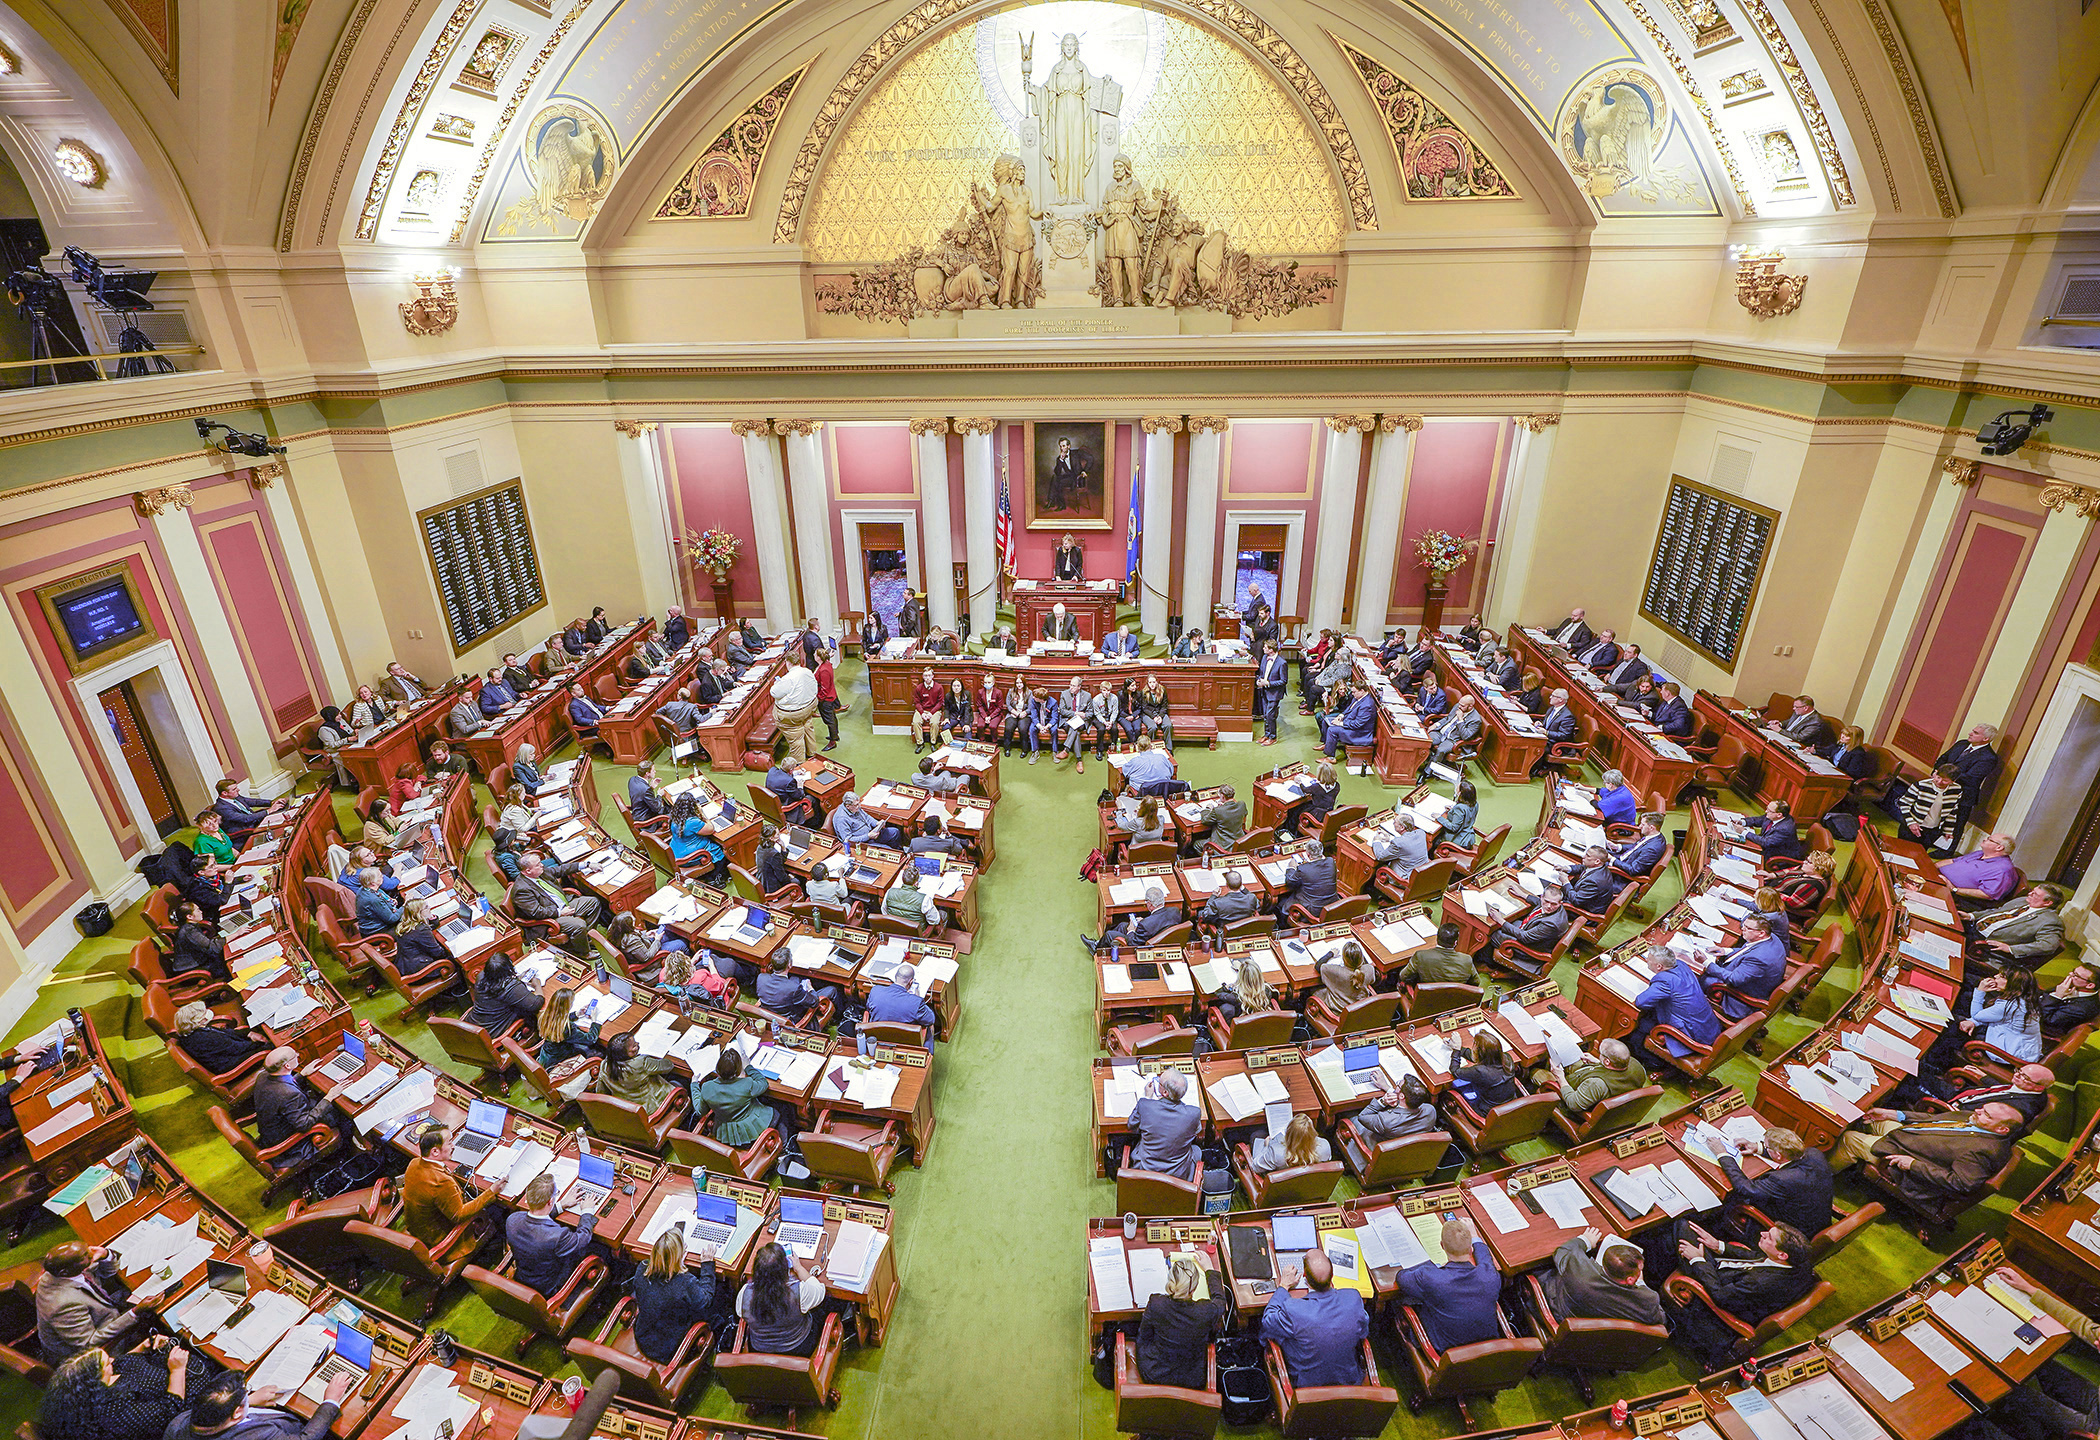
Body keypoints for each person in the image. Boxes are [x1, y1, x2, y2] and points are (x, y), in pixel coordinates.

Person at [1666, 1223, 1817, 1369]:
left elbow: (1719, 1295)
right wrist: (1718, 1245)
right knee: (1682, 1230)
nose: (1762, 1234)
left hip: (1716, 1288)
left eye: (1769, 1237)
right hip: (1730, 1276)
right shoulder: (1800, 1264)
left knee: (1679, 1229)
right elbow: (1757, 1258)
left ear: (1782, 1255)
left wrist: (1697, 1260)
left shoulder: (1759, 1282)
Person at [1830, 1102, 2022, 1209]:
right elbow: (1933, 1120)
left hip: (1905, 1160)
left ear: (2002, 1129)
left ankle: (1823, 1172)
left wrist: (1913, 1164)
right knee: (1870, 1117)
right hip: (1909, 1136)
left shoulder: (1984, 1152)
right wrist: (1894, 1114)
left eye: (1986, 1115)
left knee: (1850, 1139)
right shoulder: (1975, 1119)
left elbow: (1961, 1183)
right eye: (1983, 1109)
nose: (1978, 1111)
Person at [41, 1342, 198, 1440]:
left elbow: (122, 1362)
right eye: (108, 1363)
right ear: (97, 1382)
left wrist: (141, 1347)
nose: (113, 1361)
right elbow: (171, 1407)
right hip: (182, 1410)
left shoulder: (75, 1400)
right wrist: (178, 1370)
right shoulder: (119, 1417)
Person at [1705, 1125, 1833, 1239]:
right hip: (1814, 1219)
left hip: (1794, 1232)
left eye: (1767, 1146)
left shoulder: (1783, 1179)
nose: (1764, 1146)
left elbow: (1744, 1187)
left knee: (1732, 1197)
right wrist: (1757, 1148)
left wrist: (1722, 1153)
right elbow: (1787, 1154)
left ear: (1777, 1155)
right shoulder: (1814, 1153)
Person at [1395, 1218, 1502, 1351]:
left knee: (1402, 1301)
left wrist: (1430, 1266)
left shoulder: (1431, 1277)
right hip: (1489, 1352)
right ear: (1470, 1250)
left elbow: (1401, 1278)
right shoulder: (1489, 1275)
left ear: (1442, 1246)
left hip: (1447, 1354)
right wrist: (1474, 1236)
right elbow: (1485, 1257)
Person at [161, 1370, 352, 1440]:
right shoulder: (258, 1436)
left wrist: (248, 1401)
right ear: (236, 1414)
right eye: (246, 1393)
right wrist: (331, 1400)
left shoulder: (180, 1423)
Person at [403, 1124, 499, 1261]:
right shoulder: (441, 1182)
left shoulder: (414, 1163)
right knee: (496, 1212)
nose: (453, 1146)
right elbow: (458, 1215)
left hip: (420, 1228)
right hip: (441, 1239)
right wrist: (491, 1192)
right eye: (449, 1143)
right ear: (435, 1152)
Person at [632, 1228, 727, 1365]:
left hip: (645, 1338)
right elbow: (705, 1300)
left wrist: (677, 1262)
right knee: (719, 1293)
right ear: (681, 1254)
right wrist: (707, 1265)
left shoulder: (642, 1268)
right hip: (672, 1349)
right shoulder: (684, 1282)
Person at [36, 1243, 146, 1361]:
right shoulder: (62, 1305)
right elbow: (89, 1343)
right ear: (64, 1272)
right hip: (96, 1350)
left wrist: (105, 1255)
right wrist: (134, 1313)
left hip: (102, 1310)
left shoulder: (66, 1270)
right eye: (85, 1255)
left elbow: (106, 1273)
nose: (91, 1254)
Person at [738, 1242, 851, 1356]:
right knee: (828, 1303)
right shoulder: (798, 1292)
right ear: (784, 1269)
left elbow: (742, 1314)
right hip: (798, 1348)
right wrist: (799, 1268)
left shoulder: (743, 1294)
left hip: (759, 1349)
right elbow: (820, 1290)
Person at [1136, 1256, 1231, 1391]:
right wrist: (1210, 1270)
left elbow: (1144, 1335)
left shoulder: (1156, 1303)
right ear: (1194, 1289)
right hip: (1192, 1379)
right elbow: (1220, 1301)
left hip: (1154, 1373)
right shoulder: (1206, 1311)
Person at [506, 1172, 603, 1297]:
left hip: (523, 1278)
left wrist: (561, 1206)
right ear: (550, 1201)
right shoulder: (557, 1236)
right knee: (599, 1249)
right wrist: (587, 1211)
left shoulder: (512, 1220)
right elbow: (583, 1237)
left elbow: (536, 1219)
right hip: (550, 1287)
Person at [1542, 1229, 1664, 1325]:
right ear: (1630, 1279)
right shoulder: (1647, 1300)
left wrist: (1585, 1240)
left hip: (1558, 1314)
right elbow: (1661, 1319)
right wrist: (1642, 1284)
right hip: (1594, 1340)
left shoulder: (1580, 1269)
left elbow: (1561, 1252)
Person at [253, 1047, 350, 1161]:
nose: (298, 1055)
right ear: (287, 1066)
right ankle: (346, 1153)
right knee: (342, 1114)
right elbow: (304, 1125)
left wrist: (302, 1074)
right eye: (295, 1055)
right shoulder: (290, 1095)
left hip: (272, 1130)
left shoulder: (263, 1076)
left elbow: (281, 1086)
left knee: (319, 1099)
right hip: (288, 1142)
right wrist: (329, 1097)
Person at [1626, 947, 1721, 1060]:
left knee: (1640, 1027)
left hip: (1693, 1034)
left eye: (1649, 959)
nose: (1646, 960)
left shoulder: (1665, 981)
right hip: (1708, 1027)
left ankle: (1654, 1062)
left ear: (1659, 966)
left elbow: (1641, 1002)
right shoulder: (1680, 965)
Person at [695, 1047, 792, 1154]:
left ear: (717, 1069)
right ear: (737, 1071)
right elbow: (763, 1083)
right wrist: (748, 1067)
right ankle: (785, 1148)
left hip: (726, 1137)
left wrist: (694, 1084)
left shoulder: (707, 1087)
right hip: (753, 1134)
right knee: (783, 1108)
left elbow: (700, 1111)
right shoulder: (746, 1084)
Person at [1693, 915, 1787, 1020]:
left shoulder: (1759, 959)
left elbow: (1733, 979)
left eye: (1747, 928)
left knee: (1698, 979)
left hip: (1741, 998)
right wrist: (1725, 950)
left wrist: (1706, 962)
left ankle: (1695, 1011)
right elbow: (1748, 949)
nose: (1742, 929)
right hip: (1750, 979)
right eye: (1743, 925)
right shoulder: (1771, 938)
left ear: (1761, 933)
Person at [510, 852, 602, 953]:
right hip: (550, 918)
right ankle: (583, 952)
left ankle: (585, 938)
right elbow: (537, 912)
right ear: (528, 871)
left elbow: (561, 869)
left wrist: (586, 864)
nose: (542, 865)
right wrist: (559, 912)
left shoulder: (540, 872)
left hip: (562, 904)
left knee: (593, 902)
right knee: (579, 924)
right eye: (537, 865)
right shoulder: (521, 890)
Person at [1475, 885, 1574, 974]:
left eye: (1553, 904)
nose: (1549, 906)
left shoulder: (1551, 924)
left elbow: (1524, 937)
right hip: (1532, 932)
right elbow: (1538, 902)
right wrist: (1522, 894)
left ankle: (1487, 964)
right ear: (1542, 897)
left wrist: (1500, 920)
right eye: (1546, 901)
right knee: (1510, 923)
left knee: (1495, 934)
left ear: (1560, 903)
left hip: (1530, 949)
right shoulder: (1557, 908)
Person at [1541, 1039, 1645, 1120]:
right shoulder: (1636, 1066)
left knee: (1536, 1073)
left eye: (1601, 1053)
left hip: (1572, 1104)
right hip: (1594, 1085)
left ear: (1607, 1062)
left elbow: (1573, 1104)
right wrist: (1597, 1062)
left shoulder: (1596, 1084)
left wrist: (1560, 1077)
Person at [1967, 883, 2066, 968]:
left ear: (2048, 903)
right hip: (1973, 928)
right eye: (2032, 891)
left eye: (2035, 894)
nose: (2029, 893)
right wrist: (1971, 916)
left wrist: (2011, 949)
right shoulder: (2023, 901)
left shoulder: (2051, 921)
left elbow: (2048, 945)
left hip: (1987, 947)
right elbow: (1997, 911)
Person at [1125, 1070, 1200, 1179]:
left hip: (1146, 1169)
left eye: (1158, 1083)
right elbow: (1196, 1131)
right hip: (1179, 1174)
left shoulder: (1145, 1105)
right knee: (1197, 1150)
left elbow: (1131, 1125)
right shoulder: (1194, 1113)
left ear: (1165, 1093)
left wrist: (1147, 1098)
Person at [172, 1001, 268, 1075]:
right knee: (274, 1043)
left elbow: (227, 1033)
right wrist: (262, 1043)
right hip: (235, 1066)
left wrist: (249, 1033)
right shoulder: (205, 1038)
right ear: (200, 1020)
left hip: (231, 1053)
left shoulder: (195, 1030)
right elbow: (238, 1048)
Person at [1083, 885, 1183, 952]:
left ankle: (1096, 950)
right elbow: (1159, 919)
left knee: (1109, 935)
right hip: (1154, 934)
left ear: (1149, 904)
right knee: (1122, 925)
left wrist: (1131, 930)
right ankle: (1102, 944)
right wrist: (1145, 920)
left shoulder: (1145, 925)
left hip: (1145, 946)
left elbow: (1132, 944)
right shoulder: (1175, 911)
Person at [597, 1031, 679, 1111]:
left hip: (626, 1109)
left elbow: (601, 1092)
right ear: (629, 1053)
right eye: (634, 1045)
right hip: (651, 1108)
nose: (638, 1044)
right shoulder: (641, 1063)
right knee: (679, 1081)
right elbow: (668, 1066)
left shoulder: (604, 1065)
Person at [1895, 761, 1967, 853]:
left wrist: (1948, 831)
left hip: (1932, 831)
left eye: (1945, 780)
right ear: (1935, 773)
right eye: (1938, 777)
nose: (1939, 781)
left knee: (1919, 855)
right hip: (1911, 827)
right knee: (1900, 851)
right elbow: (1904, 803)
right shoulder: (1921, 785)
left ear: (1953, 781)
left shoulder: (1956, 790)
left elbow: (1952, 812)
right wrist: (1911, 823)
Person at [1941, 832, 2022, 910]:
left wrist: (1954, 889)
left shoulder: (2003, 870)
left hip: (1958, 897)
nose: (1984, 839)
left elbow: (1987, 894)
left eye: (1989, 839)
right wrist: (1932, 868)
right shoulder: (1980, 853)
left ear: (1999, 847)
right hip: (1940, 879)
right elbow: (1953, 861)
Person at [468, 952, 543, 1035]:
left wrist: (518, 979)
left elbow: (496, 982)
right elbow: (536, 1004)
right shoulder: (510, 987)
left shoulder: (480, 976)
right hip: (494, 1032)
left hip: (474, 1024)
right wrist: (537, 985)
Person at [756, 951, 840, 1025]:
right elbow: (814, 1002)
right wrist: (810, 987)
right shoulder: (793, 988)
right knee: (832, 990)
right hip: (791, 1019)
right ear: (789, 965)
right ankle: (836, 1020)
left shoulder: (761, 977)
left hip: (771, 1014)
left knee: (795, 978)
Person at [390, 898, 458, 983]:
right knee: (457, 959)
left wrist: (433, 919)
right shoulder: (421, 930)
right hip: (421, 971)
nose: (429, 907)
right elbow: (438, 954)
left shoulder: (406, 924)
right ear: (419, 913)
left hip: (406, 966)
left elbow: (428, 928)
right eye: (426, 907)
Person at [1449, 1031, 1520, 1110]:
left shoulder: (1480, 1071)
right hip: (1511, 1106)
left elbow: (1455, 1071)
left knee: (1452, 1089)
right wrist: (1459, 1048)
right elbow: (1477, 1057)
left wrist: (1456, 1050)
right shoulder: (1507, 1058)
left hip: (1488, 1112)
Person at [1355, 1076, 1441, 1139]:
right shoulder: (1430, 1110)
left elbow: (1363, 1116)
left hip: (1381, 1147)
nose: (1396, 1086)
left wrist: (1382, 1102)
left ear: (1402, 1096)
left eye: (1398, 1086)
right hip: (1410, 1151)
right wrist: (1386, 1087)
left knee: (1353, 1118)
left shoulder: (1385, 1121)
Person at [771, 654, 822, 762]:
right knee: (808, 727)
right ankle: (812, 755)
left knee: (796, 738)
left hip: (792, 714)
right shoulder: (807, 671)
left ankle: (799, 765)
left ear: (788, 663)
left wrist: (777, 684)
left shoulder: (788, 678)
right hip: (809, 707)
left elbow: (774, 692)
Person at [1249, 1112, 1331, 1176]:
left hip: (1281, 1187)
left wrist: (1267, 1146)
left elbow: (1256, 1167)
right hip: (1306, 1186)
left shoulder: (1276, 1153)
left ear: (1288, 1133)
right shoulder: (1325, 1146)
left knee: (1257, 1135)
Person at [1400, 922, 1478, 986]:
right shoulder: (1466, 960)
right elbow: (1476, 982)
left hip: (1426, 1000)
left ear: (1437, 938)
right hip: (1454, 1001)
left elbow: (1403, 976)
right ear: (1455, 942)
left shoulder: (1421, 956)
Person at [1278, 840, 1339, 921]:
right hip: (1332, 905)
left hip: (1313, 910)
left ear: (1308, 854)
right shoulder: (1331, 862)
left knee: (1281, 903)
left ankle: (1284, 927)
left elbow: (1290, 883)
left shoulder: (1304, 869)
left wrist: (1291, 868)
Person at [1423, 695, 1482, 777]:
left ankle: (1427, 772)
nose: (1459, 706)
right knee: (1426, 740)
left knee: (1441, 750)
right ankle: (1423, 761)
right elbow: (1448, 718)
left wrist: (1460, 720)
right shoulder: (1458, 706)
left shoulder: (1476, 720)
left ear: (1470, 706)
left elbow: (1466, 736)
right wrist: (1436, 725)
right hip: (1441, 732)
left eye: (1462, 705)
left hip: (1453, 740)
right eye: (1460, 704)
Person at [211, 778, 283, 845]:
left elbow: (252, 802)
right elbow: (245, 819)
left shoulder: (235, 797)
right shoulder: (221, 808)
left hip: (255, 821)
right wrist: (268, 811)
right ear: (224, 793)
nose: (238, 790)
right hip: (247, 831)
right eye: (234, 789)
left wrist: (272, 803)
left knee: (283, 815)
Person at [1320, 681, 1378, 763]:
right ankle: (1327, 745)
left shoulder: (1367, 705)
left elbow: (1357, 724)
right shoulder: (1358, 697)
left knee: (1332, 730)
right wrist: (1341, 716)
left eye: (1354, 692)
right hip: (1350, 722)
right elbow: (1349, 708)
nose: (1352, 694)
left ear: (1362, 691)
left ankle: (1331, 758)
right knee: (1325, 721)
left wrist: (1340, 723)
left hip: (1359, 733)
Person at [1282, 761, 1340, 840]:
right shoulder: (1337, 786)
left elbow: (1305, 789)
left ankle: (1291, 833)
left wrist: (1299, 782)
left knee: (1294, 811)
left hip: (1316, 814)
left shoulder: (1316, 787)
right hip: (1328, 811)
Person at [1370, 813, 1430, 884]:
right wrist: (1390, 839)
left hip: (1406, 880)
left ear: (1402, 827)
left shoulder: (1398, 843)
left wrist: (1377, 840)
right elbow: (1408, 843)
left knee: (1378, 866)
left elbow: (1380, 856)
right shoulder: (1421, 833)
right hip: (1422, 873)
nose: (1393, 823)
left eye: (1395, 822)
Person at [764, 743, 815, 826]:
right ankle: (813, 825)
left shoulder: (772, 770)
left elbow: (782, 775)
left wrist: (795, 773)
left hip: (773, 803)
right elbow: (800, 796)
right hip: (786, 806)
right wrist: (800, 786)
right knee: (811, 798)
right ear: (790, 770)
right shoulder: (790, 782)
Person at [1196, 869, 1261, 933]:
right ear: (1241, 884)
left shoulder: (1218, 903)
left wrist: (1213, 896)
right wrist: (1245, 890)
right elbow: (1257, 905)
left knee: (1200, 913)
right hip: (1245, 930)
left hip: (1225, 933)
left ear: (1226, 885)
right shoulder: (1252, 898)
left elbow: (1206, 917)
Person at [2043, 962, 2100, 1034]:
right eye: (2073, 971)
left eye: (2076, 975)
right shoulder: (2073, 985)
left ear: (2090, 985)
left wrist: (2057, 996)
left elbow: (2048, 1020)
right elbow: (2045, 993)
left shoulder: (2081, 1009)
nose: (2070, 974)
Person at [882, 868, 944, 934]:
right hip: (916, 935)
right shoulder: (925, 899)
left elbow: (884, 912)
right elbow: (934, 921)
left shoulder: (889, 892)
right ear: (916, 883)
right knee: (943, 914)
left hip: (894, 931)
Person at [1318, 941, 1376, 1011]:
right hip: (1359, 1009)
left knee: (1313, 990)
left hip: (1338, 1011)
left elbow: (1318, 966)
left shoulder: (1335, 971)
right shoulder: (1370, 969)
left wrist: (1331, 953)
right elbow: (1372, 980)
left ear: (1344, 959)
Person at [1562, 845, 1615, 920]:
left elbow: (1576, 901)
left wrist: (1565, 882)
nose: (1583, 857)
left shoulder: (1593, 882)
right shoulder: (1601, 867)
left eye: (1588, 856)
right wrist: (1567, 868)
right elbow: (1583, 868)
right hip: (1587, 902)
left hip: (1583, 914)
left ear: (1597, 861)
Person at [1194, 783, 1248, 854]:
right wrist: (1223, 806)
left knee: (1196, 844)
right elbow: (1242, 814)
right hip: (1238, 842)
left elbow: (1204, 821)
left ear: (1222, 796)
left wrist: (1207, 809)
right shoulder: (1242, 805)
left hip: (1222, 846)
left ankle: (1207, 860)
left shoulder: (1218, 811)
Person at [1254, 644, 1288, 745]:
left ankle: (1273, 737)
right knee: (1265, 714)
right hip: (1264, 691)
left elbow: (1283, 681)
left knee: (1270, 715)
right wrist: (1259, 681)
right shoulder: (1265, 657)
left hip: (1275, 693)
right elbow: (1261, 672)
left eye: (1265, 647)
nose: (1263, 648)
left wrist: (1268, 683)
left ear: (1271, 650)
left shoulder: (1282, 663)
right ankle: (1267, 734)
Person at [1083, 679, 1120, 764]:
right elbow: (1097, 713)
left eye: (1108, 690)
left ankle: (1113, 747)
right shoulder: (1096, 699)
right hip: (1099, 718)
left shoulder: (1114, 698)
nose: (1106, 692)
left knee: (1114, 729)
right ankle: (1099, 750)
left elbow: (1115, 711)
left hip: (1110, 717)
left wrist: (1111, 721)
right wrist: (1104, 722)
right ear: (1101, 690)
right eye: (1104, 690)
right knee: (1101, 729)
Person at [909, 668, 943, 753]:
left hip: (934, 710)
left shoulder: (939, 687)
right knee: (916, 722)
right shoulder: (919, 688)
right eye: (925, 676)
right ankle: (920, 743)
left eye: (929, 675)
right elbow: (917, 702)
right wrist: (922, 713)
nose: (927, 677)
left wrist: (931, 713)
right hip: (922, 710)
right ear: (923, 677)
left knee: (934, 723)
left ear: (932, 676)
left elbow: (940, 703)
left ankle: (933, 742)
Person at [628, 760, 666, 826]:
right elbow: (657, 808)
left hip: (638, 812)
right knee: (673, 812)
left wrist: (651, 787)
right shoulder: (646, 789)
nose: (655, 772)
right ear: (647, 773)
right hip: (646, 821)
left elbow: (641, 794)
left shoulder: (632, 779)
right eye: (653, 770)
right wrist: (659, 795)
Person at [999, 682, 1032, 759]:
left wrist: (1025, 712)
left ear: (1024, 683)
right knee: (1008, 728)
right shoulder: (1011, 691)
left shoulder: (1029, 693)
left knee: (1023, 729)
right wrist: (1014, 712)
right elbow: (1008, 705)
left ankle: (1024, 749)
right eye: (1017, 683)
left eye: (1020, 682)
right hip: (1013, 713)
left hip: (1024, 714)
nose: (1019, 684)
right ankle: (1007, 748)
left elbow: (1030, 707)